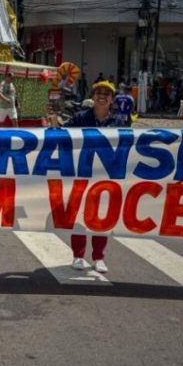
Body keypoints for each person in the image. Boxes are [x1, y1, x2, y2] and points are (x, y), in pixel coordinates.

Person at [45, 80, 130, 273]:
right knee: (80, 217)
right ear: (92, 97)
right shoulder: (80, 118)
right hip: (81, 175)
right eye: (98, 93)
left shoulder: (119, 122)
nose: (102, 96)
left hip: (106, 178)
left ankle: (99, 257)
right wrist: (52, 117)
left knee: (102, 218)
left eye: (106, 94)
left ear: (112, 100)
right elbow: (60, 135)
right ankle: (78, 256)